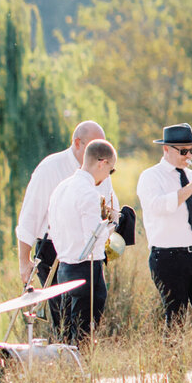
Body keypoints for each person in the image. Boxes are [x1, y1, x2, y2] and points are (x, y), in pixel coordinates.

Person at [15, 119, 105, 331]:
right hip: (53, 249)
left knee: (88, 319)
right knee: (62, 318)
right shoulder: (50, 167)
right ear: (77, 143)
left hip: (88, 251)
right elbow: (29, 216)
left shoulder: (101, 165)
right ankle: (64, 357)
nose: (98, 152)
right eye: (93, 146)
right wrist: (23, 260)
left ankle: (82, 359)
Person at [137, 123, 192, 328]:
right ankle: (173, 361)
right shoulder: (151, 176)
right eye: (183, 151)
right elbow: (158, 206)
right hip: (167, 256)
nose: (189, 157)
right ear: (166, 149)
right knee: (175, 319)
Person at [47, 138, 118, 344]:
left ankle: (67, 373)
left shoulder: (61, 188)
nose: (107, 176)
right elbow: (94, 240)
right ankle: (82, 374)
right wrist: (114, 224)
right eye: (110, 170)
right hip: (87, 269)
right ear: (101, 163)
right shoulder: (88, 193)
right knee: (84, 337)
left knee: (66, 333)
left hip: (64, 268)